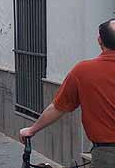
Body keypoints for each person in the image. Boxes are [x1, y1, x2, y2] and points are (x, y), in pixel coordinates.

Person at [20, 19, 115, 168]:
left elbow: (58, 107)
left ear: (99, 41)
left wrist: (32, 130)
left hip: (106, 155)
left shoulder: (84, 71)